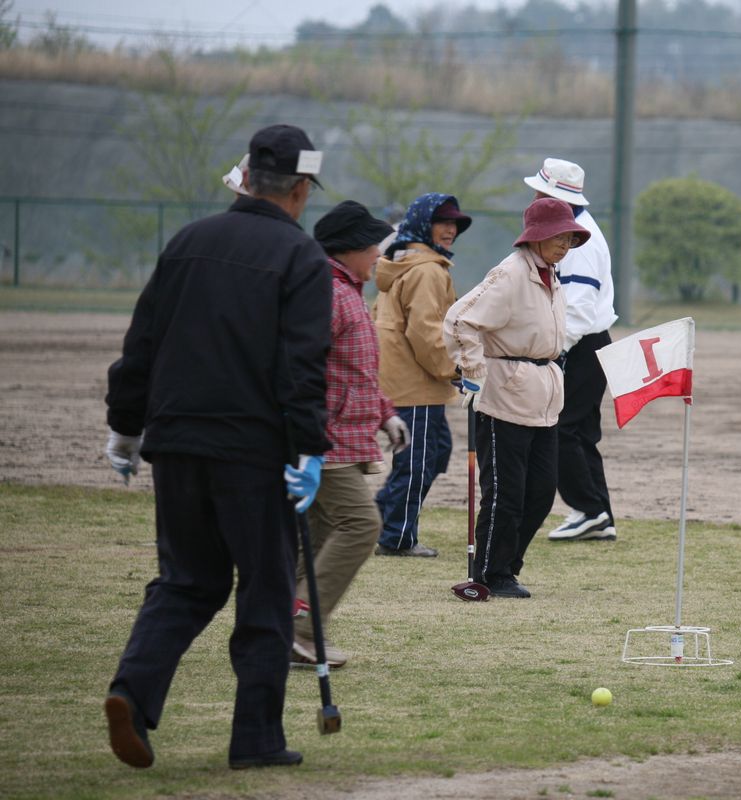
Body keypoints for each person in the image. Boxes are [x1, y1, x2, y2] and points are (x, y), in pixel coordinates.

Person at [102, 124, 330, 769]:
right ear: (301, 189)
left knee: (186, 580)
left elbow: (141, 342)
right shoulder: (301, 258)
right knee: (264, 589)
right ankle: (255, 738)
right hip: (253, 453)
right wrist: (309, 450)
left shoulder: (188, 242)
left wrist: (125, 427)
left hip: (174, 442)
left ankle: (132, 691)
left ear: (249, 178)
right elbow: (302, 366)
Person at [442, 197, 587, 598]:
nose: (564, 244)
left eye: (570, 237)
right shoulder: (509, 274)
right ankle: (491, 572)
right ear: (536, 237)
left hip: (542, 393)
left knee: (541, 491)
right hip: (504, 392)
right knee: (506, 491)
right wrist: (471, 369)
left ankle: (508, 564)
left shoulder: (550, 274)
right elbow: (459, 320)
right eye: (558, 236)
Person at [292, 201, 409, 669]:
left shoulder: (348, 290)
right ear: (349, 250)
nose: (379, 256)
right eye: (373, 249)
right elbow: (303, 370)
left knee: (321, 538)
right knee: (362, 525)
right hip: (325, 441)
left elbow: (355, 370)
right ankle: (299, 629)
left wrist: (385, 415)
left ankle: (282, 626)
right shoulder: (325, 291)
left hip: (344, 437)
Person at [523, 158, 619, 542]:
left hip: (581, 345)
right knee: (580, 432)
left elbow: (578, 308)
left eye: (539, 192)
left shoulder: (577, 240)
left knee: (562, 428)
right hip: (590, 344)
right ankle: (598, 513)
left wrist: (552, 350)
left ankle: (590, 510)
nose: (533, 197)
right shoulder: (576, 231)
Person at [373, 193, 473, 557]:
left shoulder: (406, 262)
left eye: (455, 225)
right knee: (416, 462)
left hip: (408, 380)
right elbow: (427, 333)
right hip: (414, 384)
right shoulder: (427, 270)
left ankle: (380, 515)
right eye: (442, 222)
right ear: (422, 224)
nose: (450, 230)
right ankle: (397, 537)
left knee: (433, 452)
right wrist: (455, 369)